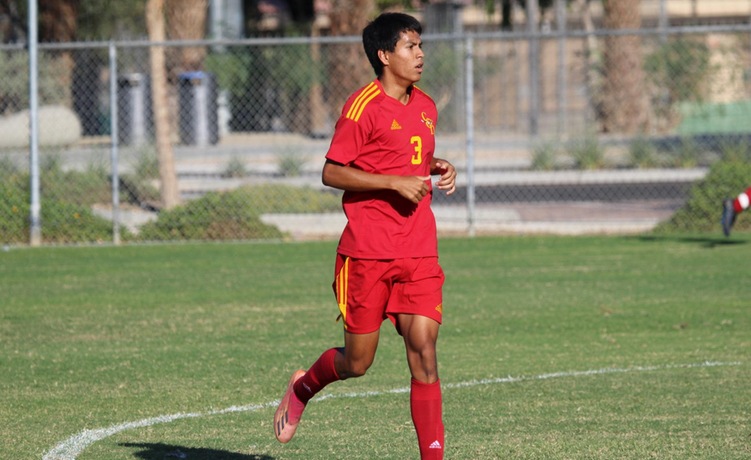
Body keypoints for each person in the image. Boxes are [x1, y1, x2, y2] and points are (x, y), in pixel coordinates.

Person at [273, 12, 456, 460]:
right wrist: (394, 183)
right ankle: (304, 387)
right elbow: (331, 171)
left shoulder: (427, 106)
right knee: (358, 363)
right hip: (369, 253)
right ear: (384, 55)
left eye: (420, 45)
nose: (420, 54)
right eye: (410, 46)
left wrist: (438, 166)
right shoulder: (362, 107)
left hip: (418, 250)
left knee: (425, 352)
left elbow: (411, 156)